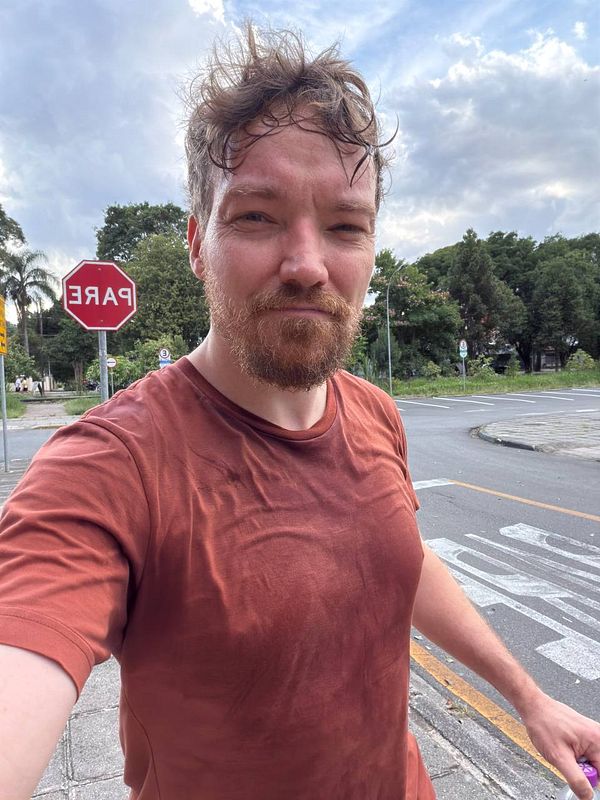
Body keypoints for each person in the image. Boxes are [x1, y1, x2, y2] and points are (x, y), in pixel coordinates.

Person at [0, 26, 598, 800]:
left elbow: (400, 561)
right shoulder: (109, 466)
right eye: (256, 216)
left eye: (346, 226)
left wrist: (529, 696)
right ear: (195, 243)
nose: (309, 264)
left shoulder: (376, 414)